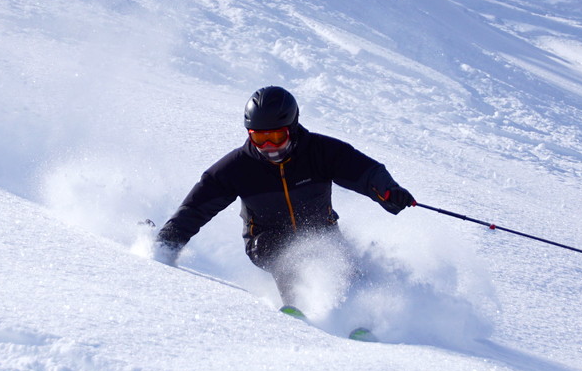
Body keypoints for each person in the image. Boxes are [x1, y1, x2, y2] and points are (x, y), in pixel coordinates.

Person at [154, 86, 416, 305]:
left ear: (292, 126)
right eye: (259, 138)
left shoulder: (320, 152)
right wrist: (167, 241)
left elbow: (365, 171)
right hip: (265, 240)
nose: (268, 146)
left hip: (322, 233)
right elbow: (197, 207)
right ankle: (301, 309)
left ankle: (362, 320)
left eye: (276, 136)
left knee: (349, 270)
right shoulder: (238, 167)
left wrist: (388, 191)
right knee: (288, 256)